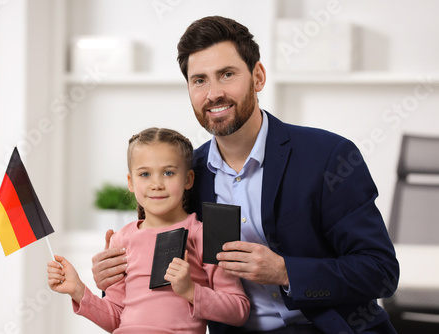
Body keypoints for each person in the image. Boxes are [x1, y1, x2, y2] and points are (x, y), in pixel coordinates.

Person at [92, 16, 400, 334]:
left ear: (258, 76)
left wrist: (285, 271)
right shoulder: (184, 177)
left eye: (227, 74)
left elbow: (381, 272)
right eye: (199, 80)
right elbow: (153, 281)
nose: (213, 93)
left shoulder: (327, 156)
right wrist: (111, 278)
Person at [48, 127, 250, 334]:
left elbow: (238, 309)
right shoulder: (121, 240)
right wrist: (78, 290)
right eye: (145, 174)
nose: (156, 184)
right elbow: (117, 318)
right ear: (131, 182)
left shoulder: (206, 235)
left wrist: (190, 291)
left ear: (188, 179)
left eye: (168, 173)